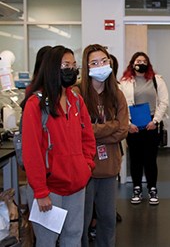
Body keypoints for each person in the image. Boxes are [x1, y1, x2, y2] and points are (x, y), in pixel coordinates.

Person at [21, 45, 96, 246]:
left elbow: (88, 139)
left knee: (73, 236)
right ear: (53, 68)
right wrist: (40, 191)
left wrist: (86, 166)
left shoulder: (77, 101)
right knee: (47, 241)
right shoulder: (35, 104)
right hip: (49, 188)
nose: (71, 69)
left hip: (76, 185)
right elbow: (31, 151)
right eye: (65, 65)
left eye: (73, 65)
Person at [74, 44, 129, 247]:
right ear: (86, 68)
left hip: (108, 168)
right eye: (94, 63)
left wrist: (93, 131)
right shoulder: (76, 93)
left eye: (104, 61)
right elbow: (78, 131)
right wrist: (110, 127)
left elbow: (122, 130)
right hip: (84, 168)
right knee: (82, 221)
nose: (100, 66)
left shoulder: (117, 95)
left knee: (107, 219)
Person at [120, 51, 169, 205]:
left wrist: (155, 121)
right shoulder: (124, 82)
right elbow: (121, 106)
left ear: (148, 64)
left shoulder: (157, 80)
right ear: (132, 63)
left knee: (150, 160)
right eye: (137, 60)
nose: (140, 63)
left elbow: (164, 102)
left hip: (151, 126)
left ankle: (152, 188)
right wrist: (128, 124)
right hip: (133, 127)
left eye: (143, 61)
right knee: (135, 160)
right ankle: (137, 189)